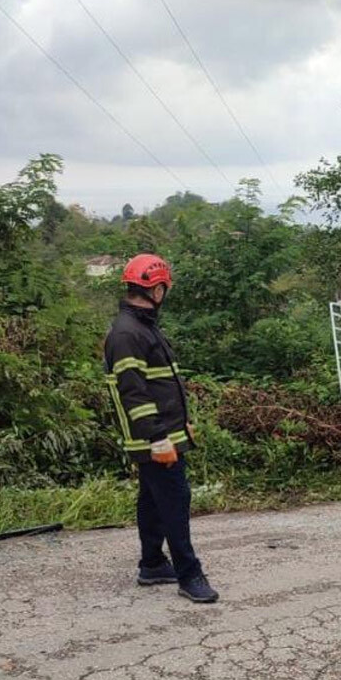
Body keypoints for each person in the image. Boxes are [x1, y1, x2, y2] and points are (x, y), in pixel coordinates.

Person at [104, 253, 218, 603]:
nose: (164, 294)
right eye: (163, 288)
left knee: (153, 500)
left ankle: (152, 564)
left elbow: (162, 383)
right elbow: (133, 392)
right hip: (154, 436)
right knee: (175, 499)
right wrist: (157, 438)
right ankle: (189, 574)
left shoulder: (143, 327)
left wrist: (181, 422)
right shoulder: (127, 333)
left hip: (165, 430)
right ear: (155, 288)